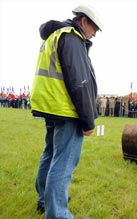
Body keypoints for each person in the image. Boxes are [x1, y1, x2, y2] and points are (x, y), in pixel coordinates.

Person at [30, 5, 103, 219]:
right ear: (83, 21)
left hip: (51, 106)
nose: (95, 34)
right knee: (63, 163)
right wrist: (88, 121)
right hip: (65, 109)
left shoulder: (55, 35)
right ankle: (58, 214)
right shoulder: (72, 38)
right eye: (94, 28)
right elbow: (80, 83)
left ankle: (45, 200)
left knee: (50, 154)